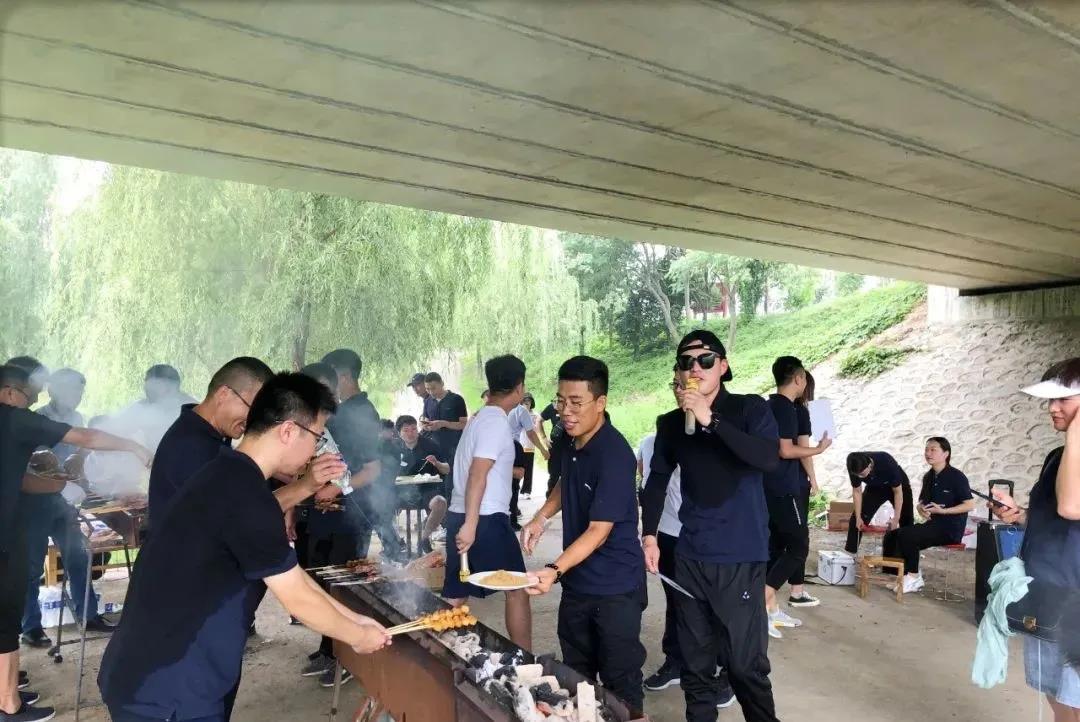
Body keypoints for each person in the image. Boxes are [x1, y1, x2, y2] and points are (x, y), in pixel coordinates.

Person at [97, 373, 391, 722]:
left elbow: (294, 576)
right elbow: (296, 597)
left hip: (167, 672)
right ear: (288, 431)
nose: (317, 450)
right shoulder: (244, 494)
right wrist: (357, 636)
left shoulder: (229, 474)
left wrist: (355, 619)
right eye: (317, 437)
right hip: (167, 686)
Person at [640, 330, 780, 722]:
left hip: (740, 555)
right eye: (686, 362)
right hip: (690, 556)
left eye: (705, 360)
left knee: (744, 665)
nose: (695, 368)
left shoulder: (750, 409)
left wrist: (710, 419)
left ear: (723, 365)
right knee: (696, 664)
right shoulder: (671, 424)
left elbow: (767, 458)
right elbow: (656, 481)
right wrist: (649, 535)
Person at [1, 363, 153, 722]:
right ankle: (9, 705)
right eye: (28, 397)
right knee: (5, 616)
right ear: (9, 392)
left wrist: (60, 484)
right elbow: (85, 437)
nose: (30, 403)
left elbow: (19, 479)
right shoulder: (13, 418)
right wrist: (132, 446)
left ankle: (7, 689)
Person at [521, 356, 646, 712]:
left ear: (600, 402)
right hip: (578, 584)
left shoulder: (615, 455)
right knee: (577, 678)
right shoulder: (571, 440)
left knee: (621, 686)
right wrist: (540, 517)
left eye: (576, 402)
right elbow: (567, 482)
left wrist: (553, 569)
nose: (565, 411)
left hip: (615, 589)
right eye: (561, 401)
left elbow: (598, 531)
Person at [989, 358, 1080, 722]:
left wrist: (1077, 431)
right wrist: (1020, 515)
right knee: (1056, 694)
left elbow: (1071, 507)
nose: (1052, 408)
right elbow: (1055, 516)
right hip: (1046, 590)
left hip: (1075, 597)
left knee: (1075, 699)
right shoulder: (1057, 456)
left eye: (1063, 399)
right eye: (1050, 400)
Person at [639, 380, 737, 709]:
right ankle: (676, 661)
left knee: (716, 606)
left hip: (707, 536)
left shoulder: (717, 434)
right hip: (669, 534)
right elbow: (650, 487)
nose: (683, 389)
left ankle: (725, 673)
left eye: (690, 383)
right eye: (678, 383)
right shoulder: (656, 437)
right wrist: (648, 534)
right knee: (677, 602)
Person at [444, 355, 531, 649]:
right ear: (519, 387)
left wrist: (466, 523)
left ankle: (433, 653)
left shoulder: (480, 418)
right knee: (517, 589)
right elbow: (477, 474)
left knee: (456, 595)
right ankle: (525, 658)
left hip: (461, 514)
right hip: (484, 518)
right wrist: (471, 525)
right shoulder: (495, 422)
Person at [148, 357, 274, 527]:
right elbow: (240, 515)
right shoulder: (192, 447)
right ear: (223, 394)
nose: (254, 421)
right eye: (253, 410)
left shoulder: (206, 436)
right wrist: (302, 488)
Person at [762, 356, 831, 637]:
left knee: (776, 547)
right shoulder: (787, 408)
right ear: (799, 379)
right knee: (799, 546)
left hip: (770, 486)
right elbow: (787, 450)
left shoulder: (769, 405)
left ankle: (770, 610)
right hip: (784, 487)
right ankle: (762, 598)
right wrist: (819, 449)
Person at [883, 437, 973, 594]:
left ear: (946, 454)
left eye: (933, 450)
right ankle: (900, 576)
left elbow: (969, 505)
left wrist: (944, 511)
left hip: (950, 529)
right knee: (893, 535)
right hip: (933, 525)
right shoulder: (928, 477)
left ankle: (914, 576)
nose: (928, 453)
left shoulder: (957, 477)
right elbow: (922, 502)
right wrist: (920, 509)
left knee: (907, 535)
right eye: (926, 450)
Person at [789, 371, 821, 608]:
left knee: (774, 536)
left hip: (770, 482)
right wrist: (813, 479)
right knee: (799, 538)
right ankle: (797, 591)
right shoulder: (800, 411)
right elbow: (803, 451)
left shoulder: (772, 407)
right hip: (794, 482)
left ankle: (764, 590)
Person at [394, 415, 448, 554]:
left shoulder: (430, 445)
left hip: (427, 489)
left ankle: (424, 538)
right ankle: (394, 543)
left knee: (440, 503)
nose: (411, 433)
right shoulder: (394, 448)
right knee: (380, 503)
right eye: (406, 430)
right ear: (399, 433)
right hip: (401, 491)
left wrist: (436, 463)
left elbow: (447, 469)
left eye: (413, 429)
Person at [844, 450, 915, 554]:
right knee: (857, 519)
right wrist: (859, 517)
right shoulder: (853, 464)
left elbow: (898, 492)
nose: (859, 477)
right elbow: (857, 491)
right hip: (875, 487)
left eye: (862, 474)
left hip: (897, 486)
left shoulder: (887, 462)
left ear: (869, 466)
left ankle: (908, 553)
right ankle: (850, 555)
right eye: (857, 475)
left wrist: (896, 518)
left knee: (906, 518)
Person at [422, 373, 468, 499]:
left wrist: (444, 423)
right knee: (436, 483)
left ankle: (451, 508)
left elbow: (463, 424)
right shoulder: (428, 401)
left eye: (433, 388)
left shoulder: (456, 399)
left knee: (451, 484)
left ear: (442, 384)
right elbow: (426, 419)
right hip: (435, 447)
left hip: (453, 447)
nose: (431, 392)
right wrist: (426, 426)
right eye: (427, 389)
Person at [37, 369, 86, 464]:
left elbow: (80, 448)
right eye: (73, 389)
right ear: (52, 391)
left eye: (80, 391)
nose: (78, 396)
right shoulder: (38, 418)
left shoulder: (77, 417)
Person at [508, 394, 549, 500]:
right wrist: (543, 450)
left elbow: (534, 431)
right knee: (515, 475)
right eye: (525, 401)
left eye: (529, 401)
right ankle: (513, 502)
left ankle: (526, 491)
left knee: (526, 470)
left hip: (527, 446)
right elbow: (530, 433)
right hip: (518, 445)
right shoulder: (520, 411)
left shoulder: (533, 414)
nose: (527, 403)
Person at [539, 399, 566, 498]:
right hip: (555, 447)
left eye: (559, 401)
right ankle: (550, 499)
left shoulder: (572, 407)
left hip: (570, 447)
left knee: (569, 475)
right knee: (554, 476)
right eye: (555, 401)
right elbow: (539, 420)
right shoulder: (552, 407)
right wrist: (544, 438)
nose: (555, 404)